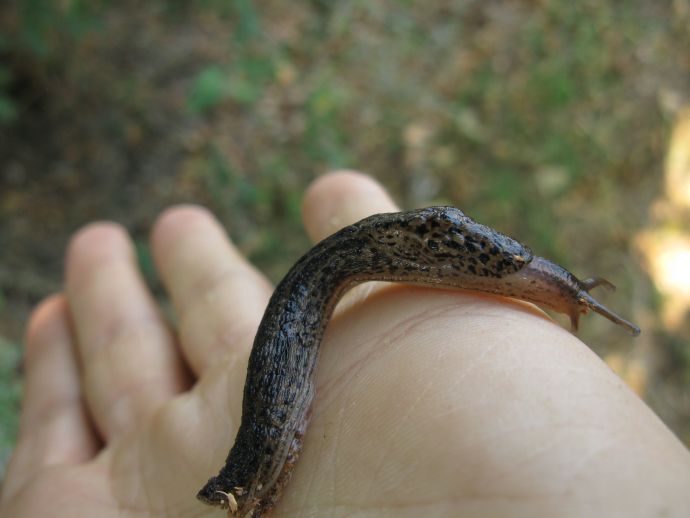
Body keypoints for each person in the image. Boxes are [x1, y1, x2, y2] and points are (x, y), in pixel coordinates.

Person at [1, 171, 689, 517]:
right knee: (248, 475)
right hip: (256, 443)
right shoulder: (363, 256)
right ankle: (248, 479)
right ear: (421, 251)